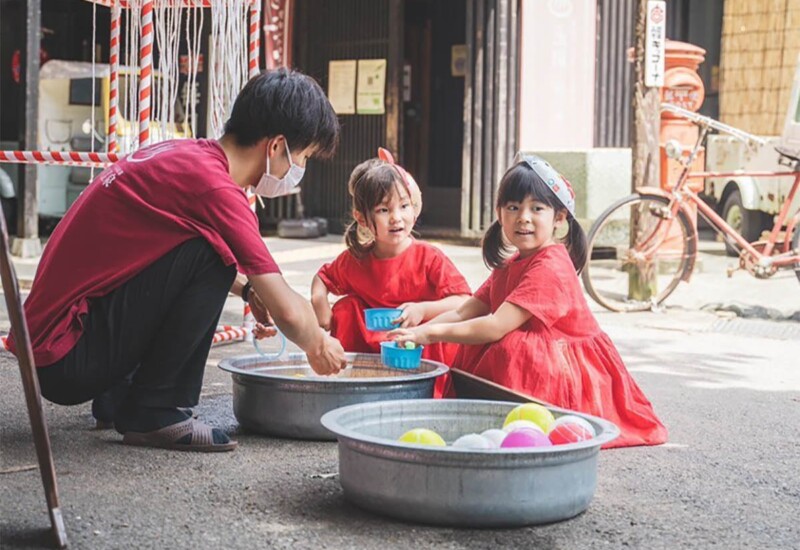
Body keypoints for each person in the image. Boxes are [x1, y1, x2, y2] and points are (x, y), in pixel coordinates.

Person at [7, 68, 347, 452]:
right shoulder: (215, 186)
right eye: (301, 157)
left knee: (209, 252)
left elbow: (157, 260)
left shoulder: (189, 156)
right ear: (275, 146)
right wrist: (319, 343)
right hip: (64, 358)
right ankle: (157, 412)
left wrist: (249, 290)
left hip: (55, 344)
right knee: (213, 257)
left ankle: (122, 397)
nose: (296, 171)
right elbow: (287, 309)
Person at [390, 154, 668, 447]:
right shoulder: (511, 263)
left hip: (564, 368)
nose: (523, 217)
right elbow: (462, 313)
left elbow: (496, 325)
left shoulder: (550, 266)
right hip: (541, 358)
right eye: (513, 207)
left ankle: (517, 422)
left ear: (559, 218)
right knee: (480, 339)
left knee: (509, 346)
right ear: (500, 213)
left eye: (537, 208)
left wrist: (429, 333)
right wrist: (418, 331)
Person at [311, 149, 470, 395]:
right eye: (384, 210)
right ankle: (354, 381)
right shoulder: (357, 259)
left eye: (404, 206)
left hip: (418, 344)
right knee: (346, 308)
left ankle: (428, 392)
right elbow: (322, 278)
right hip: (375, 344)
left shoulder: (429, 257)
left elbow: (464, 302)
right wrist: (319, 304)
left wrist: (422, 310)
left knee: (438, 324)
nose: (397, 218)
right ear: (362, 218)